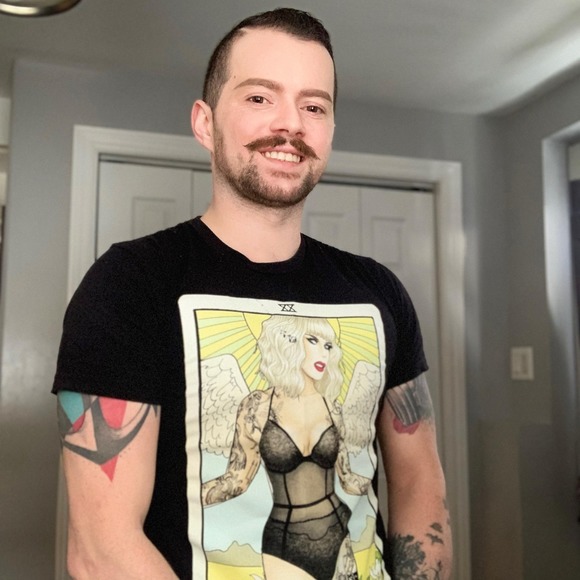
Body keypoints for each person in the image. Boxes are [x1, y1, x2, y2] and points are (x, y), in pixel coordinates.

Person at [53, 7, 452, 580]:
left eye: (314, 106)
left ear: (329, 131)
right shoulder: (130, 283)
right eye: (260, 97)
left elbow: (419, 481)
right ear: (205, 122)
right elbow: (101, 550)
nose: (290, 125)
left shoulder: (378, 292)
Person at [202, 315, 369, 579]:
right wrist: (182, 496)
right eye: (313, 341)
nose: (323, 353)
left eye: (328, 345)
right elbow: (236, 481)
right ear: (286, 343)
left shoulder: (333, 409)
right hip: (284, 541)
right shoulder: (257, 407)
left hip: (338, 531)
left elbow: (347, 479)